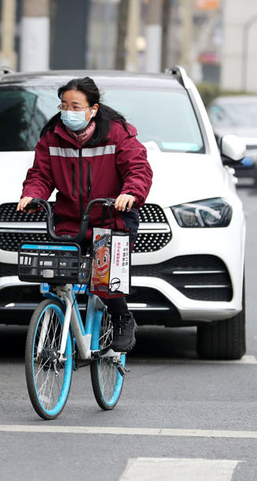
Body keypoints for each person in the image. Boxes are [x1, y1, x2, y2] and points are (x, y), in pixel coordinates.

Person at [17, 77, 153, 352]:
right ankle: (58, 322)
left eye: (76, 106)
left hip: (110, 219)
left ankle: (122, 317)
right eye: (64, 105)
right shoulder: (52, 135)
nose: (69, 111)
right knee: (56, 273)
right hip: (70, 220)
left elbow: (137, 169)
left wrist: (130, 193)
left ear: (93, 109)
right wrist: (33, 194)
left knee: (105, 279)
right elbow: (41, 174)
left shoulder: (117, 133)